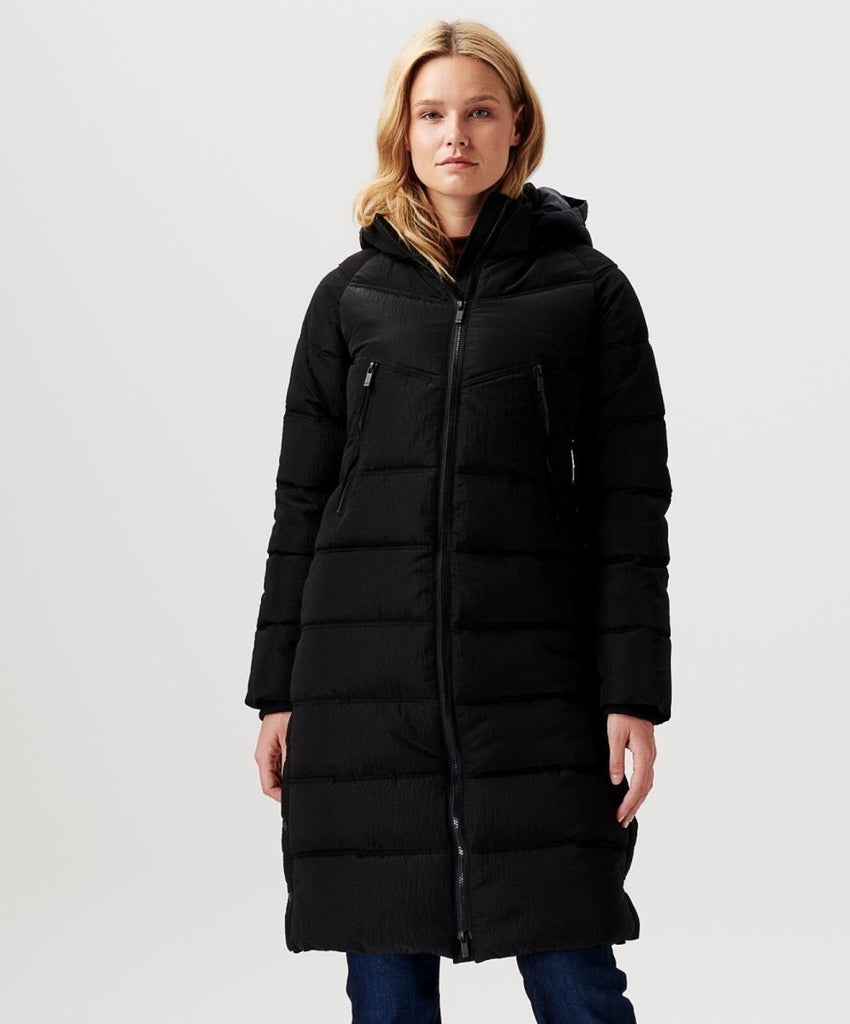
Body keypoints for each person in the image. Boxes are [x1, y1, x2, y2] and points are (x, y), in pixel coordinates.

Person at [245, 18, 672, 1024]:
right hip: (363, 690)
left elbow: (629, 505)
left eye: (479, 112)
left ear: (517, 126)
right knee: (386, 992)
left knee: (576, 979)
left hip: (536, 682)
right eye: (432, 113)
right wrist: (277, 692)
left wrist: (633, 693)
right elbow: (301, 503)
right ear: (404, 130)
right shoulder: (349, 298)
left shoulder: (588, 292)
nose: (455, 135)